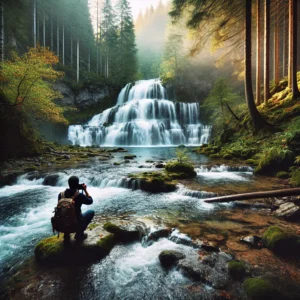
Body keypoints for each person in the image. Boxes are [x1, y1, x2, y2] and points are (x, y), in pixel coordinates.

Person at [58, 176, 94, 241]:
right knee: (91, 212)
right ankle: (79, 234)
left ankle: (66, 235)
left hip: (63, 224)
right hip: (76, 224)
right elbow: (90, 201)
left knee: (66, 213)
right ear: (77, 184)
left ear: (69, 184)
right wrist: (85, 190)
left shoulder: (60, 194)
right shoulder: (79, 195)